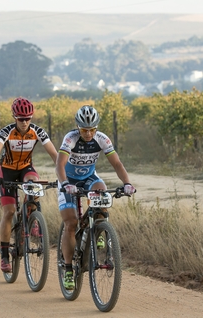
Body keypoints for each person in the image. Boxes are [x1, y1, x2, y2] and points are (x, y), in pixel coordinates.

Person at [55, 105, 136, 291]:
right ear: (78, 127)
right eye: (84, 130)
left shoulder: (102, 139)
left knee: (103, 193)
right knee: (71, 223)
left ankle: (99, 229)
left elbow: (117, 163)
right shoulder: (70, 139)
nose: (89, 134)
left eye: (92, 129)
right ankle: (68, 269)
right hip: (68, 180)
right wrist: (65, 183)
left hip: (89, 178)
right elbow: (60, 164)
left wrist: (127, 183)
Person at [0, 97, 58, 273]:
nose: (25, 122)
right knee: (9, 212)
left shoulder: (37, 132)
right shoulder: (6, 132)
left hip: (26, 168)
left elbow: (55, 155)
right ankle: (4, 255)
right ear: (14, 117)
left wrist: (63, 175)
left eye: (28, 118)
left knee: (34, 184)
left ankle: (32, 215)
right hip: (7, 170)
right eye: (21, 119)